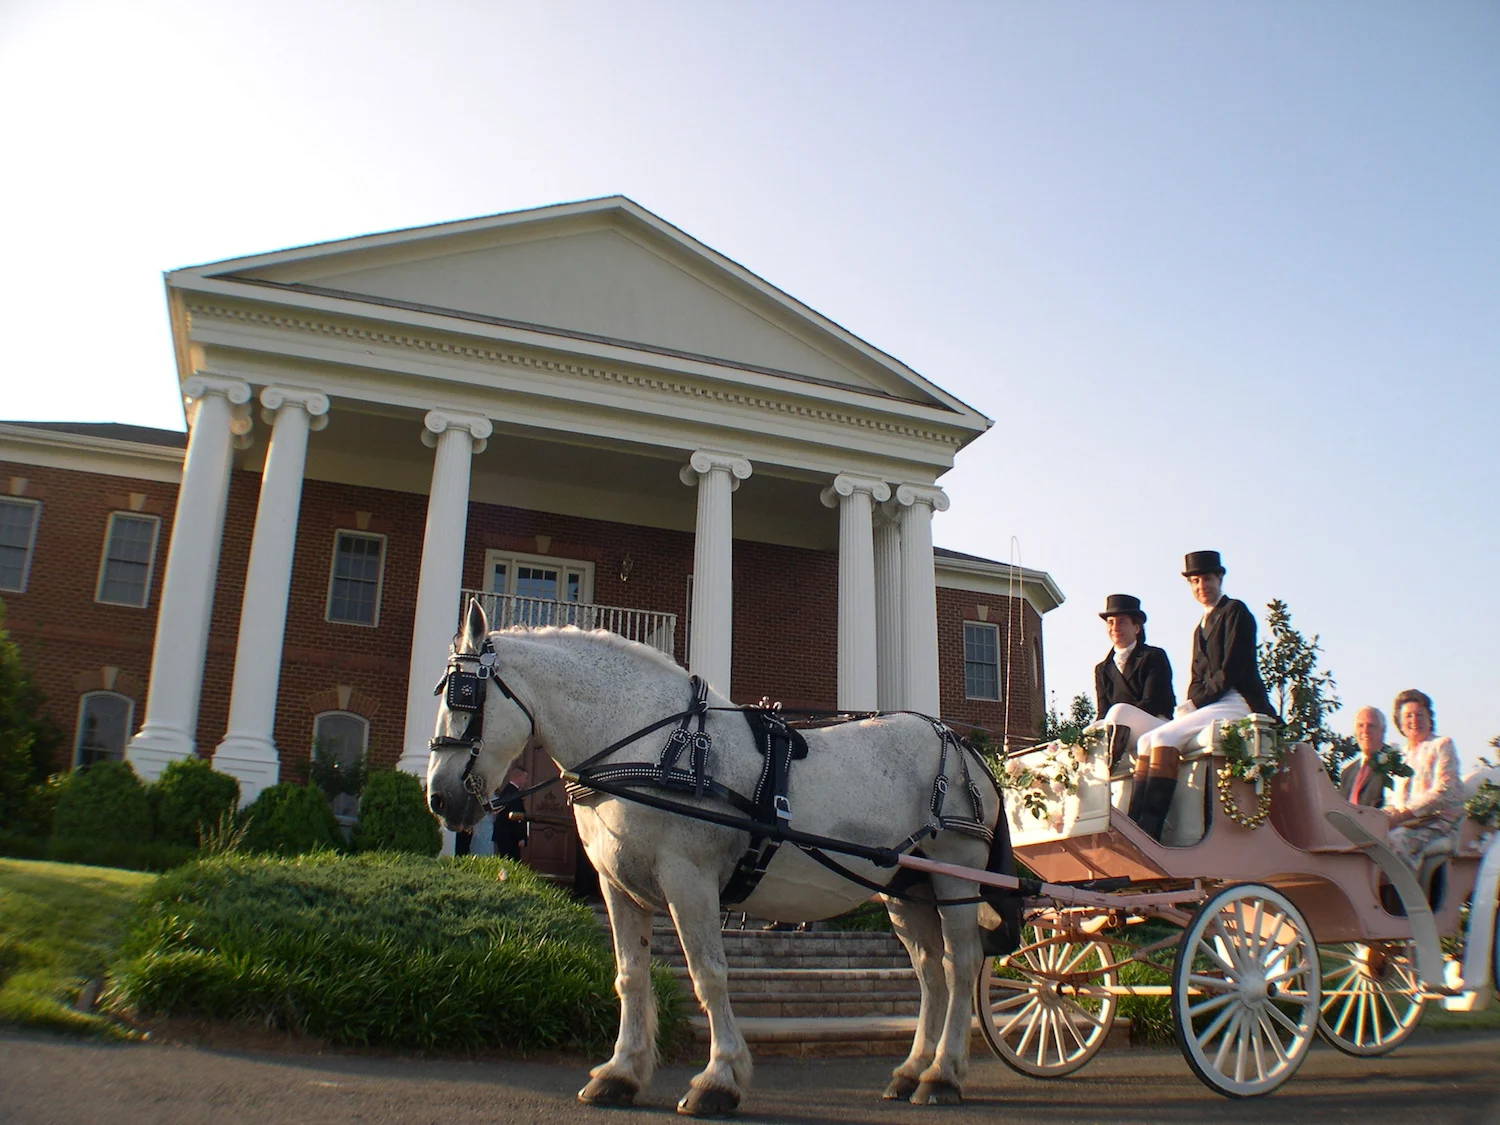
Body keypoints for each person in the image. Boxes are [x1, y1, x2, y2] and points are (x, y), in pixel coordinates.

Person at [1128, 550, 1275, 841]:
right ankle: (1133, 827)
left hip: (1239, 701)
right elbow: (1196, 679)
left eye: (1206, 578)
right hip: (1213, 702)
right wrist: (1193, 701)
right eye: (1194, 581)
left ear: (1219, 579)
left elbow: (1231, 669)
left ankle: (1149, 831)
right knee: (1146, 740)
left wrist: (1198, 701)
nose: (1201, 586)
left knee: (1164, 737)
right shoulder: (1200, 629)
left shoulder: (1236, 612)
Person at [1091, 593, 1175, 770]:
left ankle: (1110, 766)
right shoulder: (1102, 669)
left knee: (1119, 711)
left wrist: (1121, 716)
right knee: (1090, 732)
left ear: (1137, 627)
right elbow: (1102, 712)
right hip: (1116, 729)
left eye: (1121, 622)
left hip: (1155, 725)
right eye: (1111, 622)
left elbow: (1152, 702)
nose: (1115, 627)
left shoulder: (1154, 656)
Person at [1384, 689, 1463, 870]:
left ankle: (1403, 897)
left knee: (1393, 842)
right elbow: (1390, 800)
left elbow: (1444, 791)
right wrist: (1384, 817)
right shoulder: (1396, 756)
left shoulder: (1442, 745)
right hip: (1404, 824)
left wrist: (1405, 813)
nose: (1414, 721)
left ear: (1429, 717)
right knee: (1370, 840)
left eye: (1419, 715)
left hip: (1436, 824)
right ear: (1399, 721)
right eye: (1408, 716)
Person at [1339, 706, 1398, 808]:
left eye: (1371, 726)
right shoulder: (1347, 773)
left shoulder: (1395, 764)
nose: (1365, 731)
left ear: (1383, 730)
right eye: (1360, 726)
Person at [491, 766, 531, 861]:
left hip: (506, 835)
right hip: (509, 836)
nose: (525, 781)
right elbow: (516, 816)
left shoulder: (509, 791)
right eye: (525, 778)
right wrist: (520, 837)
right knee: (510, 861)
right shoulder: (512, 793)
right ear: (519, 778)